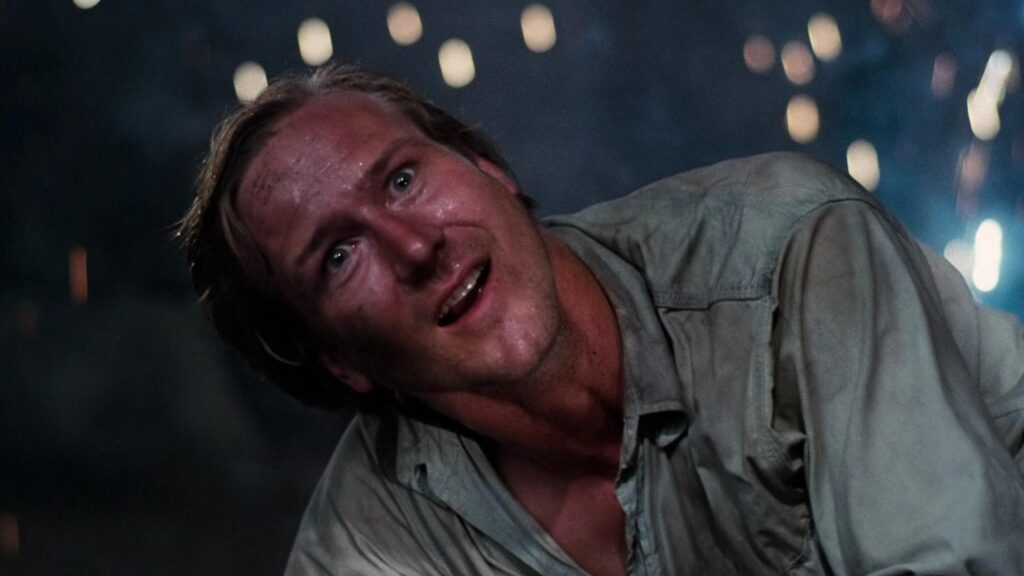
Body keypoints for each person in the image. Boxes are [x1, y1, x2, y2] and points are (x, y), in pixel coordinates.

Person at [179, 64, 1024, 575]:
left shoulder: (782, 253)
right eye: (337, 255)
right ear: (339, 362)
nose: (412, 245)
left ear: (487, 167)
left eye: (401, 179)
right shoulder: (373, 544)